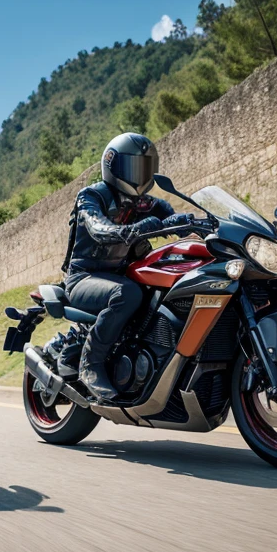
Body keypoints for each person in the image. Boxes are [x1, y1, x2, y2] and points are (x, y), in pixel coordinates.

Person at [64, 133, 193, 400]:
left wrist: (197, 222)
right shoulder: (92, 196)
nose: (139, 175)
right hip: (84, 277)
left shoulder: (151, 204)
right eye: (133, 167)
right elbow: (98, 228)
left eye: (145, 168)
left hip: (123, 276)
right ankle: (91, 364)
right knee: (127, 294)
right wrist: (133, 229)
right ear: (113, 166)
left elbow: (176, 222)